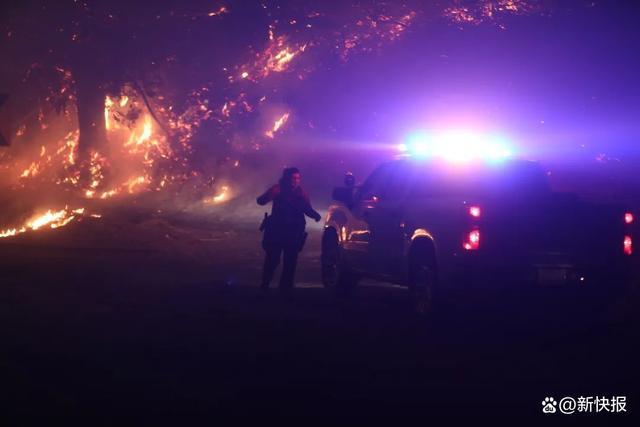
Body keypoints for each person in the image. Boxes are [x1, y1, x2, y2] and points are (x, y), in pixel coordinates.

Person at [257, 167, 322, 293]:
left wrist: (316, 216)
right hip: (277, 231)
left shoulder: (301, 193)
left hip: (294, 232)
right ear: (286, 178)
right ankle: (265, 285)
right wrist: (272, 193)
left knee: (290, 263)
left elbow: (306, 208)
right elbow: (261, 201)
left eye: (298, 178)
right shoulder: (278, 189)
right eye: (293, 178)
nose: (296, 181)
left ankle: (285, 290)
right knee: (272, 260)